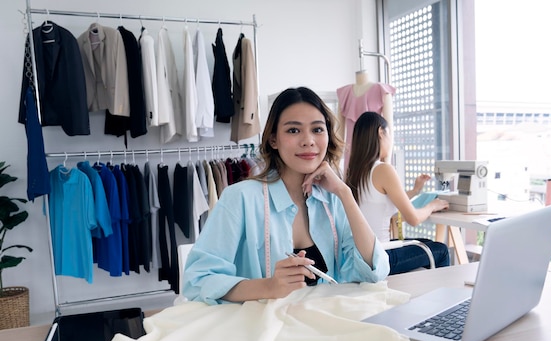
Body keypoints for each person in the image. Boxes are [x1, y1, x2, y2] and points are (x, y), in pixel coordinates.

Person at [183, 87, 390, 305]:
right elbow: (197, 280)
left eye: (318, 130)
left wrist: (345, 193)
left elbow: (374, 269)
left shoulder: (333, 200)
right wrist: (269, 286)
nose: (308, 140)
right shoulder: (240, 198)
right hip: (261, 330)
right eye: (293, 130)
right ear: (273, 140)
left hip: (323, 325)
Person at [345, 111, 450, 274]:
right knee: (441, 250)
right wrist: (432, 206)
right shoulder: (383, 169)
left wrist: (415, 190)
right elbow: (413, 219)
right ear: (381, 132)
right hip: (382, 256)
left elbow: (379, 202)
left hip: (359, 257)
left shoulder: (355, 172)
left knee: (424, 243)